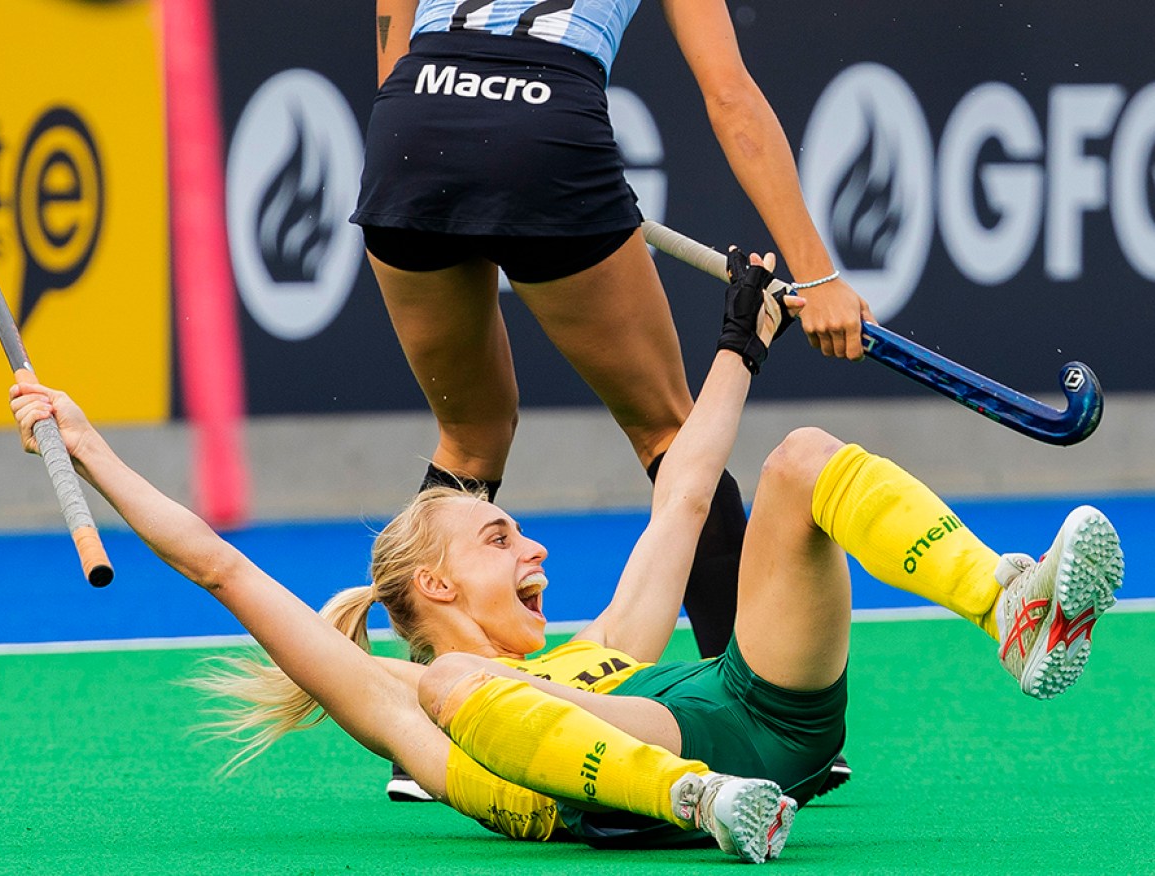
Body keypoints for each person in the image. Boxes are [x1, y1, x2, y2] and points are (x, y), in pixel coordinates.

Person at [9, 253, 1123, 863]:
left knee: (798, 461)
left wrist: (739, 338)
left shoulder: (607, 649)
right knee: (462, 690)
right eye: (499, 534)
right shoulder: (408, 697)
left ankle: (1008, 609)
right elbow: (220, 568)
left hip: (758, 723)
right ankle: (696, 801)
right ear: (434, 585)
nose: (531, 542)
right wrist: (88, 442)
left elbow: (684, 492)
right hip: (650, 781)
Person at [355, 0, 873, 799]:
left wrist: (438, 133)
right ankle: (759, 702)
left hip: (411, 122)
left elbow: (394, 34)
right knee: (667, 427)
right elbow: (729, 96)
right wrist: (814, 272)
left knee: (468, 436)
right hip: (544, 125)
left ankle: (428, 726)